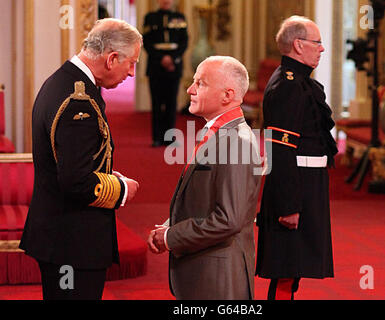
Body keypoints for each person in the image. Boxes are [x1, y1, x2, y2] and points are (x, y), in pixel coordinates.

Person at [19, 18, 141, 300]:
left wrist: (107, 174)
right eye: (131, 63)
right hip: (71, 242)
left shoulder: (63, 81)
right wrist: (121, 189)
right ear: (112, 58)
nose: (132, 73)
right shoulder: (79, 101)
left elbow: (75, 161)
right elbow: (75, 181)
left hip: (61, 236)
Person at [147, 56, 262, 300]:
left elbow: (228, 220)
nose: (190, 89)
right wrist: (171, 224)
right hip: (206, 273)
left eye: (200, 83)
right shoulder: (218, 132)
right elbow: (207, 199)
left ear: (227, 95)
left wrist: (171, 237)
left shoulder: (237, 143)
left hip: (219, 280)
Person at [255, 16, 338, 300]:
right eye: (317, 43)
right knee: (287, 270)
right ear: (298, 45)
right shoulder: (287, 86)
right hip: (295, 186)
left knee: (295, 269)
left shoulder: (301, 81)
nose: (322, 49)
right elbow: (281, 151)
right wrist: (288, 206)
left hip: (308, 184)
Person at [142, 0, 188, 147]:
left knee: (171, 103)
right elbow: (147, 42)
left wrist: (172, 58)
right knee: (156, 103)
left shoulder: (180, 17)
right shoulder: (150, 17)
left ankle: (169, 138)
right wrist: (162, 58)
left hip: (174, 66)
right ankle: (156, 138)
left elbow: (184, 41)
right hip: (156, 66)